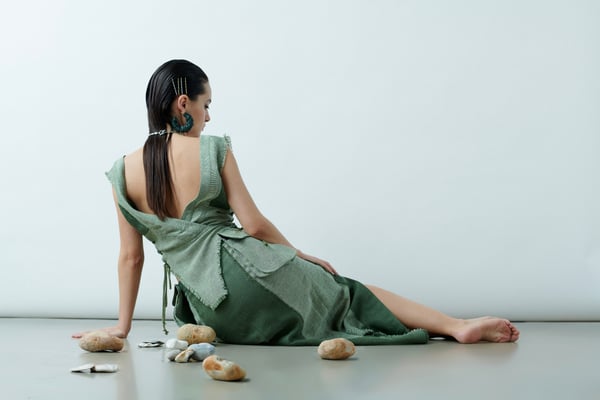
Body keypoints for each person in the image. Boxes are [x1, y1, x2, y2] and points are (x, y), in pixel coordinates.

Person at [73, 59, 519, 345]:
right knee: (347, 293)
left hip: (212, 310)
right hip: (251, 275)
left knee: (331, 306)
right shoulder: (212, 148)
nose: (209, 116)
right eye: (207, 104)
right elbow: (254, 226)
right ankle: (456, 326)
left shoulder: (122, 171)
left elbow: (131, 258)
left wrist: (122, 328)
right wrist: (300, 255)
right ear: (183, 103)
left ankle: (454, 326)